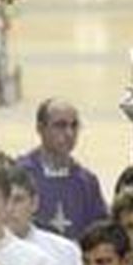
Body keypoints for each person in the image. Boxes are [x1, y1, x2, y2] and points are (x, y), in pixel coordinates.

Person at [17, 99, 108, 239]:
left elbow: (100, 234)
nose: (69, 133)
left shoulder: (87, 182)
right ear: (40, 128)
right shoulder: (18, 175)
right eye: (60, 125)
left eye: (74, 126)